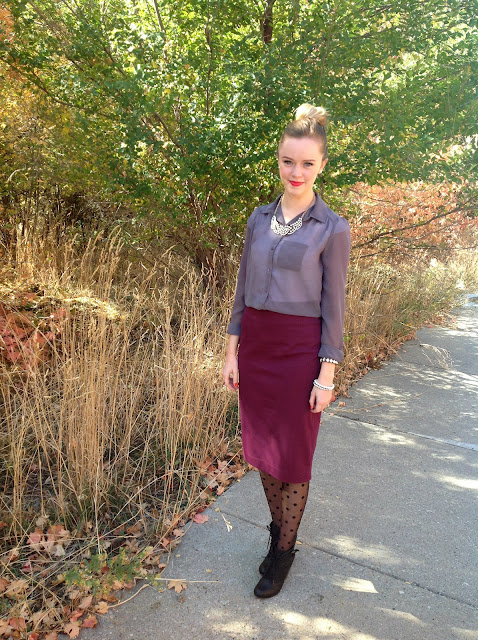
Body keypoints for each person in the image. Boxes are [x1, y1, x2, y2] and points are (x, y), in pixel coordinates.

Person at [222, 103, 351, 598]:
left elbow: (334, 306)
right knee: (263, 450)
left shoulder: (332, 228)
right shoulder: (259, 219)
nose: (296, 172)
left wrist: (326, 375)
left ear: (322, 165)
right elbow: (241, 290)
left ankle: (284, 551)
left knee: (293, 455)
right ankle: (279, 532)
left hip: (300, 353)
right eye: (287, 161)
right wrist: (231, 352)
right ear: (278, 161)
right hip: (256, 348)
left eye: (307, 163)